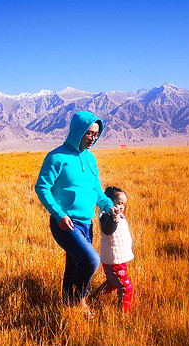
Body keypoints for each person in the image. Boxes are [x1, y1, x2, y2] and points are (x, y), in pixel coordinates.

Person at [35, 111, 115, 313]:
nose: (92, 138)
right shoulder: (57, 157)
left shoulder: (90, 159)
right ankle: (79, 300)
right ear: (77, 131)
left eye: (96, 134)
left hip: (86, 223)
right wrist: (59, 214)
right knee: (91, 260)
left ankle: (67, 307)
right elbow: (42, 187)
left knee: (73, 267)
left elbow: (96, 190)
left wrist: (108, 206)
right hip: (65, 223)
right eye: (88, 133)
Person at [95, 186, 134, 313]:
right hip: (113, 261)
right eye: (119, 203)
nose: (122, 207)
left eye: (124, 204)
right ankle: (122, 314)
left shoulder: (117, 215)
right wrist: (114, 218)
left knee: (112, 283)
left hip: (117, 259)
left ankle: (94, 299)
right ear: (108, 202)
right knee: (125, 288)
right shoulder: (107, 215)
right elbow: (108, 230)